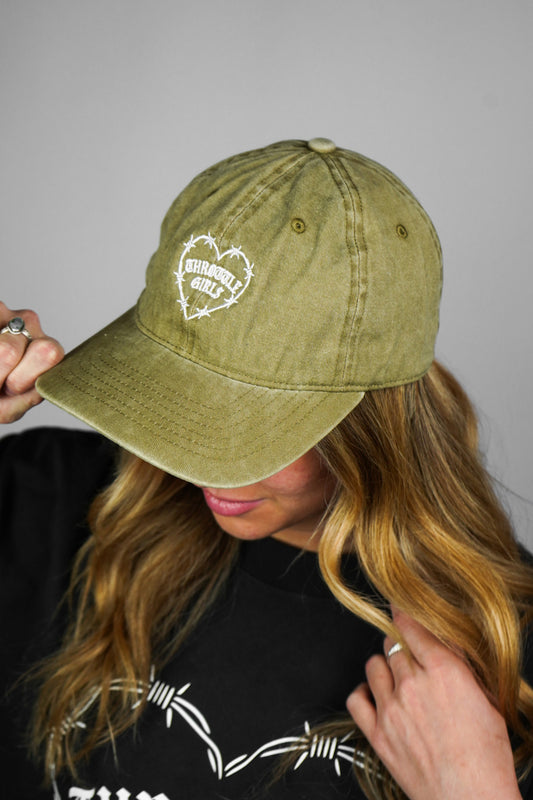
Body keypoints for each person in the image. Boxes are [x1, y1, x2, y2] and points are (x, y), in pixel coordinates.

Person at [1, 137, 532, 800]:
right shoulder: (46, 498)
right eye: (179, 390)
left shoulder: (505, 644)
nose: (207, 464)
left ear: (376, 423)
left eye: (257, 422)